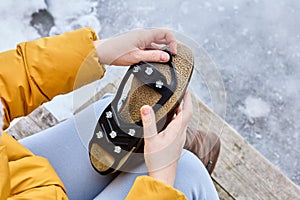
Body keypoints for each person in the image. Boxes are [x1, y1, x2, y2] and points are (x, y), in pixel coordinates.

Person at [0, 27, 220, 199]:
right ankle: (171, 161)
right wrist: (161, 182)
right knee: (188, 172)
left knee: (104, 117)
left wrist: (94, 52)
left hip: (16, 174)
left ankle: (153, 148)